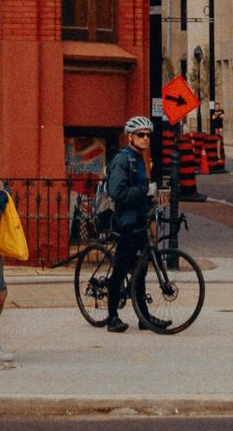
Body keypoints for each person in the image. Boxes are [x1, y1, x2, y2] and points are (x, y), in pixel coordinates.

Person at [103, 116, 153, 334]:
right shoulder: (122, 160)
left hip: (139, 222)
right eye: (141, 135)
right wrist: (144, 191)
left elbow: (141, 191)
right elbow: (117, 192)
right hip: (125, 223)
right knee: (121, 270)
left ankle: (144, 317)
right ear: (130, 137)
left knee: (140, 271)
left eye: (148, 135)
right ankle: (112, 317)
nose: (146, 139)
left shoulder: (139, 159)